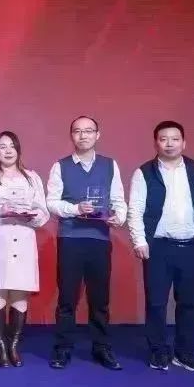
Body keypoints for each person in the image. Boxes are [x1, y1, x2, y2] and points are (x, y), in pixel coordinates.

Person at [127, 120, 194, 373]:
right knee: (156, 303)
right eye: (164, 139)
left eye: (175, 139)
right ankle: (158, 351)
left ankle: (185, 352)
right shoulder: (144, 172)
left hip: (192, 247)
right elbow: (135, 210)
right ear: (156, 143)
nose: (169, 144)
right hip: (158, 248)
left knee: (189, 303)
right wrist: (140, 241)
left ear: (183, 143)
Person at [45, 116, 127, 370]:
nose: (83, 136)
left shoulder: (110, 165)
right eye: (78, 131)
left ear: (97, 135)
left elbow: (119, 200)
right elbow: (51, 202)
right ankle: (63, 347)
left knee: (100, 299)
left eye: (89, 131)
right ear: (71, 136)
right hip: (70, 238)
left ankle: (102, 347)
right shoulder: (60, 166)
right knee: (67, 298)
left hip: (99, 239)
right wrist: (75, 209)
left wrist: (118, 217)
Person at [0, 131, 49, 368]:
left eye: (12, 146)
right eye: (2, 146)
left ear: (18, 150)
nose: (8, 150)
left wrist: (32, 215)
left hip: (24, 239)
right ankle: (1, 347)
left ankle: (14, 346)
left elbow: (43, 212)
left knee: (20, 293)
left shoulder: (32, 178)